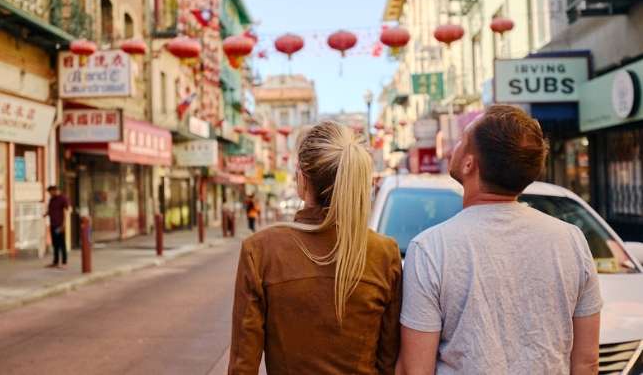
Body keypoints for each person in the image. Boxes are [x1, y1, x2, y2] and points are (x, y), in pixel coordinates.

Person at [397, 105, 602, 374]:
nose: (452, 148)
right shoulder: (571, 241)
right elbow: (586, 363)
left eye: (461, 141)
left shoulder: (430, 249)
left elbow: (416, 370)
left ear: (470, 163)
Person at [229, 121, 402, 374]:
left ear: (302, 177)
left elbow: (243, 366)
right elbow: (389, 362)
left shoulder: (261, 251)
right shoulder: (384, 254)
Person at [45, 185, 70, 268]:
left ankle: (64, 262)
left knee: (62, 244)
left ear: (55, 190)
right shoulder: (52, 199)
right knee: (55, 244)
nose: (50, 194)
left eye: (50, 192)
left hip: (60, 225)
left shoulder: (63, 198)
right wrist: (46, 214)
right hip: (53, 224)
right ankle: (55, 262)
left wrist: (63, 225)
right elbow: (51, 210)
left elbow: (66, 211)